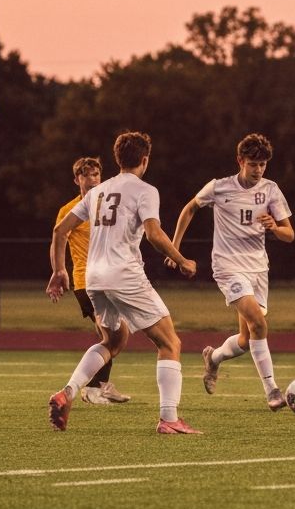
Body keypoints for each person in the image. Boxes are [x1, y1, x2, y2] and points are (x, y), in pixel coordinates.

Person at [45, 131, 201, 434]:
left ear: (117, 160)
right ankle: (169, 419)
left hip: (93, 278)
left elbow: (60, 229)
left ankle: (68, 392)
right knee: (170, 343)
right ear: (145, 160)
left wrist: (58, 271)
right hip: (124, 275)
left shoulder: (97, 191)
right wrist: (183, 261)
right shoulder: (145, 190)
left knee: (112, 341)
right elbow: (154, 234)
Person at [168, 132, 294, 411]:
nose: (258, 170)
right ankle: (272, 390)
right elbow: (189, 209)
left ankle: (213, 358)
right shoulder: (219, 188)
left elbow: (289, 234)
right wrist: (175, 249)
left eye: (262, 165)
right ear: (240, 161)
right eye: (253, 164)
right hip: (228, 267)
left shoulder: (271, 190)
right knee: (259, 325)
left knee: (247, 340)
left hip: (258, 269)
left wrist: (274, 226)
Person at [51, 156, 131, 405]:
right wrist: (59, 270)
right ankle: (93, 388)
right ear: (77, 180)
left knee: (112, 334)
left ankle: (99, 385)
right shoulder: (70, 210)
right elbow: (58, 238)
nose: (92, 179)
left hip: (109, 277)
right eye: (86, 175)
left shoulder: (107, 205)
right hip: (86, 281)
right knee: (110, 335)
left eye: (96, 174)